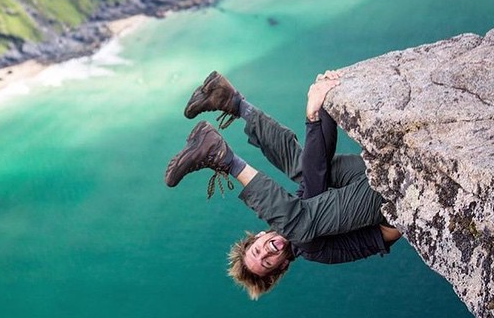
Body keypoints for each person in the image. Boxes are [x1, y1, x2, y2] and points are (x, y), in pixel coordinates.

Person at [164, 70, 401, 300]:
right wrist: (314, 118)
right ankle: (226, 160)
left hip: (363, 178)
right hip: (391, 202)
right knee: (300, 227)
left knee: (303, 171)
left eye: (257, 251)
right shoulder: (315, 250)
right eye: (267, 262)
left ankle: (234, 102)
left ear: (259, 236)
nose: (267, 252)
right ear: (282, 265)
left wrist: (323, 105)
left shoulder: (300, 215)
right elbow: (388, 234)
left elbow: (315, 169)